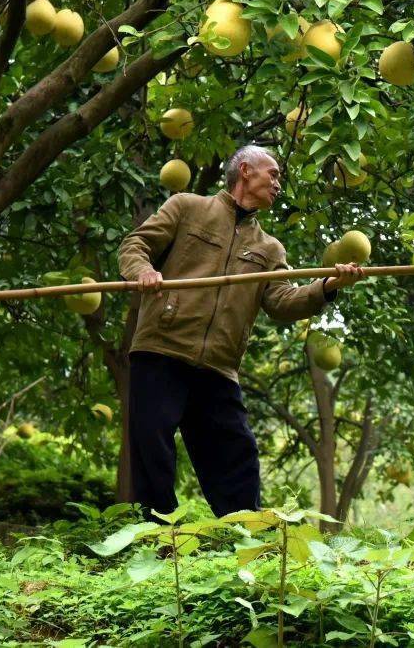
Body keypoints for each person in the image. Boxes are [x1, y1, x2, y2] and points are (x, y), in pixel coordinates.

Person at [117, 145, 364, 519]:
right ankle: (156, 540)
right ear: (246, 171)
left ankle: (246, 541)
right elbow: (135, 245)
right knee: (152, 451)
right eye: (274, 174)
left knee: (237, 456)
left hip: (218, 367)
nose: (279, 184)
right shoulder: (187, 207)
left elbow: (282, 302)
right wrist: (143, 272)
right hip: (161, 350)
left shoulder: (269, 248)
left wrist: (326, 286)